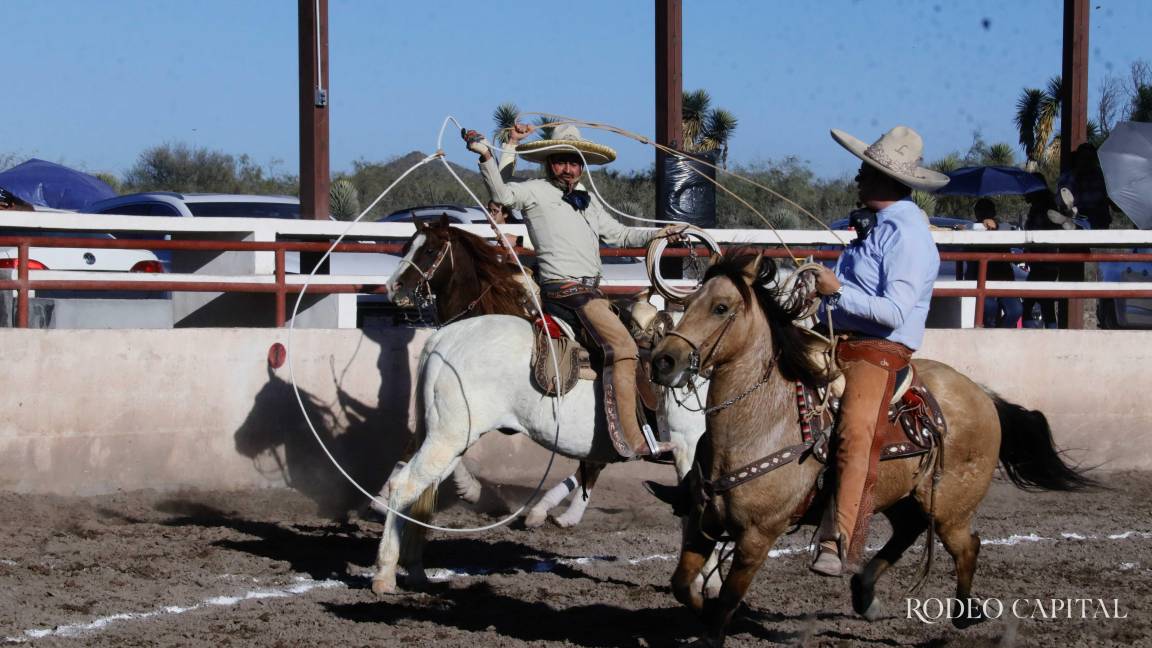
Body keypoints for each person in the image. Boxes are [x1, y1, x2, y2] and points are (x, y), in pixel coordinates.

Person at [462, 122, 684, 459]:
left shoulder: (589, 202)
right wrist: (489, 155)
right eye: (562, 161)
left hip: (593, 293)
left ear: (582, 166)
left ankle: (656, 420)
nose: (569, 168)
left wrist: (663, 233)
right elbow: (501, 195)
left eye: (575, 162)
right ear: (549, 162)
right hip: (566, 291)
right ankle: (632, 437)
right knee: (623, 347)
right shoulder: (534, 190)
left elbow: (621, 235)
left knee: (649, 333)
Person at [810, 125, 949, 577]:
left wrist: (836, 289)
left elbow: (892, 311)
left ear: (885, 180)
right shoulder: (875, 228)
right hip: (837, 337)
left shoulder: (909, 237)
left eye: (865, 171)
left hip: (879, 350)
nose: (857, 177)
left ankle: (839, 538)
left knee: (855, 431)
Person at [966, 198, 1022, 328]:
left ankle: (1001, 334)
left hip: (1003, 280)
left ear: (994, 212)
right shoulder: (971, 230)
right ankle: (990, 335)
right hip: (980, 281)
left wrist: (995, 227)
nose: (984, 214)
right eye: (980, 211)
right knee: (990, 307)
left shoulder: (1003, 229)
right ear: (976, 213)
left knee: (1015, 310)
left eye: (987, 210)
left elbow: (1009, 232)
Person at [1021, 178, 1062, 329]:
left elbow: (1036, 234)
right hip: (1046, 261)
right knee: (1045, 302)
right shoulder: (1047, 206)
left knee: (1031, 302)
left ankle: (1033, 335)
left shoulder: (1041, 209)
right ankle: (1051, 333)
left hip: (1043, 261)